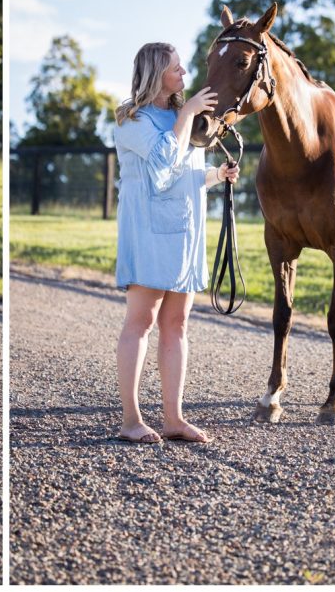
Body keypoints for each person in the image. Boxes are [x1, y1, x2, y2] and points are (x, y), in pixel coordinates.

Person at [113, 42, 239, 444]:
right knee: (141, 321)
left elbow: (186, 175)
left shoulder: (184, 119)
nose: (185, 74)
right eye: (177, 68)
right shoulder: (133, 120)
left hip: (186, 231)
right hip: (149, 230)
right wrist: (186, 114)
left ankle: (173, 418)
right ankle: (131, 420)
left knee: (177, 324)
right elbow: (163, 170)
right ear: (156, 74)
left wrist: (217, 175)